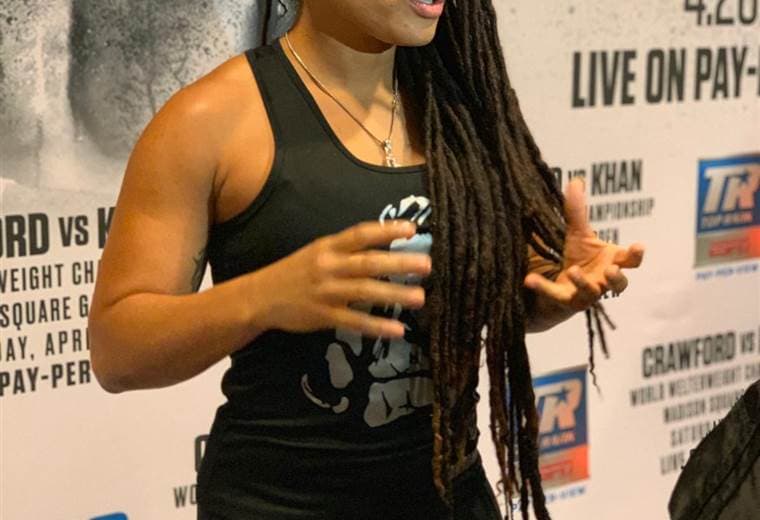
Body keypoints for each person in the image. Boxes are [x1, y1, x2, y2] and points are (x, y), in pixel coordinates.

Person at [88, 1, 645, 519]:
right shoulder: (210, 119)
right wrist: (262, 297)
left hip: (454, 501)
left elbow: (481, 307)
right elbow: (118, 351)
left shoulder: (458, 108)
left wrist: (549, 293)